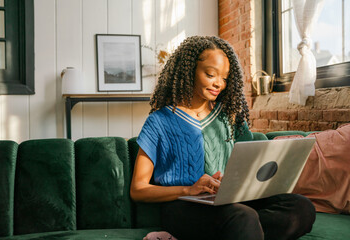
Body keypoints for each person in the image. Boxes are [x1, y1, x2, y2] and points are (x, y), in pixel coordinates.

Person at [130, 36, 315, 240]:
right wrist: (189, 189)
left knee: (301, 208)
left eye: (225, 78)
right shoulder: (159, 122)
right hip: (183, 206)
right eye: (211, 74)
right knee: (243, 218)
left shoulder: (231, 117)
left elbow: (251, 166)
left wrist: (235, 181)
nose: (219, 83)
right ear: (188, 70)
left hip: (230, 201)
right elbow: (138, 189)